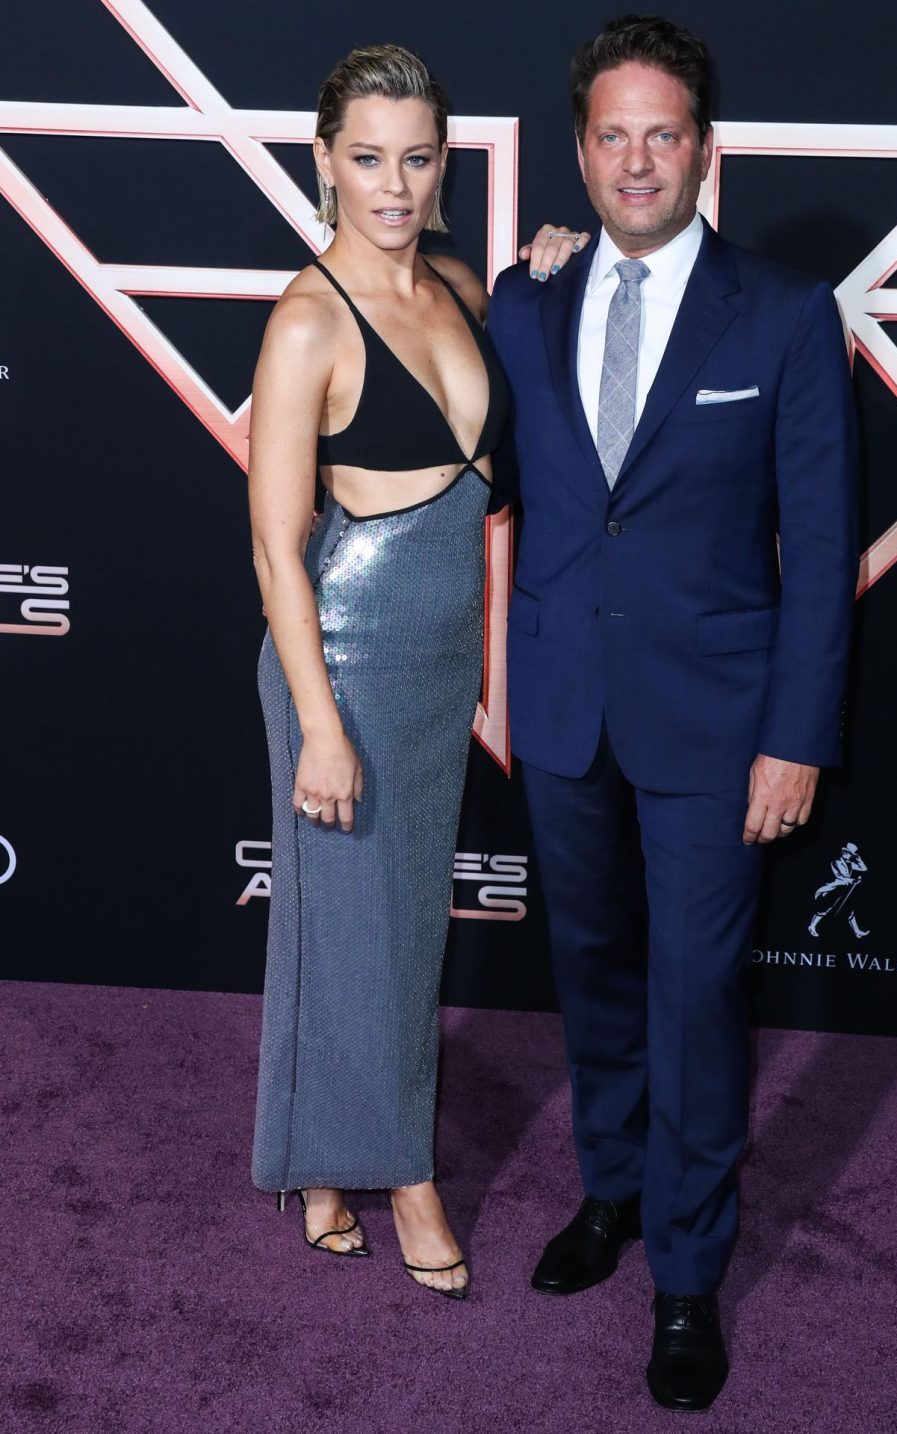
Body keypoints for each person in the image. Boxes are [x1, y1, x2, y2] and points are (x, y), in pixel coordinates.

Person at [487, 15, 858, 1409]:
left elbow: (820, 548)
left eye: (662, 134)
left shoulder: (784, 313)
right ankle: (614, 1190)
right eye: (611, 135)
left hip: (717, 721)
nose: (635, 160)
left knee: (696, 996)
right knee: (592, 972)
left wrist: (795, 735)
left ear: (703, 150)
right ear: (580, 150)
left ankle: (690, 1271)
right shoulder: (525, 302)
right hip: (562, 706)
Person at [247, 43, 586, 1299]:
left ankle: (321, 1164)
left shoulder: (456, 284)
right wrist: (321, 725)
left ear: (443, 163)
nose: (394, 184)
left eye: (418, 158)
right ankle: (405, 1178)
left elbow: (530, 333)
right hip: (340, 662)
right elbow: (275, 548)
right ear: (324, 161)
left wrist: (550, 263)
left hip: (440, 664)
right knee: (359, 935)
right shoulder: (305, 322)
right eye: (368, 158)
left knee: (379, 932)